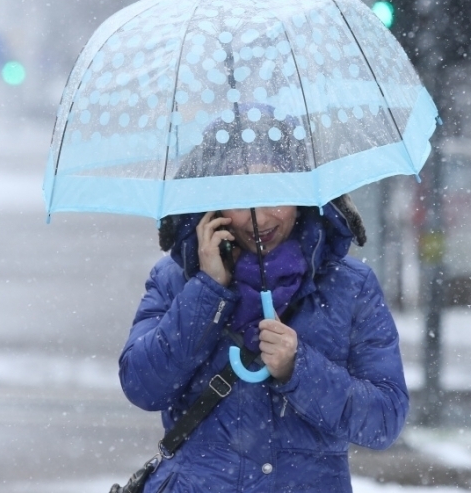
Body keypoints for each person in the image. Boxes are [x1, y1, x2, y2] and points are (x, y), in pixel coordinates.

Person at [117, 116, 409, 492]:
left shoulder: (350, 286)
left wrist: (298, 368)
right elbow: (143, 386)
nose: (260, 217)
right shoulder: (176, 279)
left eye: (275, 191)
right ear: (214, 205)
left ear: (301, 194)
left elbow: (384, 419)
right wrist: (208, 290)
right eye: (242, 198)